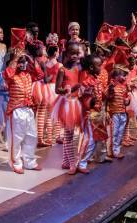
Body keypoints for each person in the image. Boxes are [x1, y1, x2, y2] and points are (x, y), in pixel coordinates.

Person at [3, 48, 44, 174]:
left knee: (31, 137)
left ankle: (30, 162)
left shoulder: (28, 74)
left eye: (24, 61)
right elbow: (8, 74)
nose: (23, 64)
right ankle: (16, 163)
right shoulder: (10, 74)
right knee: (16, 139)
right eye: (20, 62)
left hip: (28, 110)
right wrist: (15, 58)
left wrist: (30, 58)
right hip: (16, 111)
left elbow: (40, 74)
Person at [53, 41, 83, 175]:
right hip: (66, 104)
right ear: (66, 54)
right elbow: (56, 90)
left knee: (69, 134)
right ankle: (72, 163)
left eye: (77, 53)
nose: (75, 56)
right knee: (69, 135)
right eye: (73, 53)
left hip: (75, 103)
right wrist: (66, 89)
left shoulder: (78, 69)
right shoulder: (62, 70)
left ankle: (65, 161)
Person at [78, 53, 105, 174]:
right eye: (99, 65)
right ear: (91, 68)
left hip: (97, 114)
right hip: (90, 114)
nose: (101, 68)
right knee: (89, 139)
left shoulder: (96, 80)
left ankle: (86, 160)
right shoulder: (87, 82)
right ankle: (81, 163)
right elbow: (85, 101)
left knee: (96, 138)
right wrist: (91, 101)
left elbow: (101, 96)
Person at [106, 65, 130, 159]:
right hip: (114, 113)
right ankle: (110, 151)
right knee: (114, 132)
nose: (125, 77)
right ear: (116, 76)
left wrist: (127, 101)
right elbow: (107, 99)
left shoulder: (123, 87)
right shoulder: (111, 87)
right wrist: (107, 111)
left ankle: (116, 150)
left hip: (122, 113)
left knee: (120, 132)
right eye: (123, 75)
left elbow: (126, 99)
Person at [42, 43, 62, 145]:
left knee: (49, 115)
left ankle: (50, 138)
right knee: (57, 115)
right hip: (55, 89)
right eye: (58, 51)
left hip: (46, 89)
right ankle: (57, 136)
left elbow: (45, 78)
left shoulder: (45, 64)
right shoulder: (59, 65)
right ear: (55, 53)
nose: (59, 53)